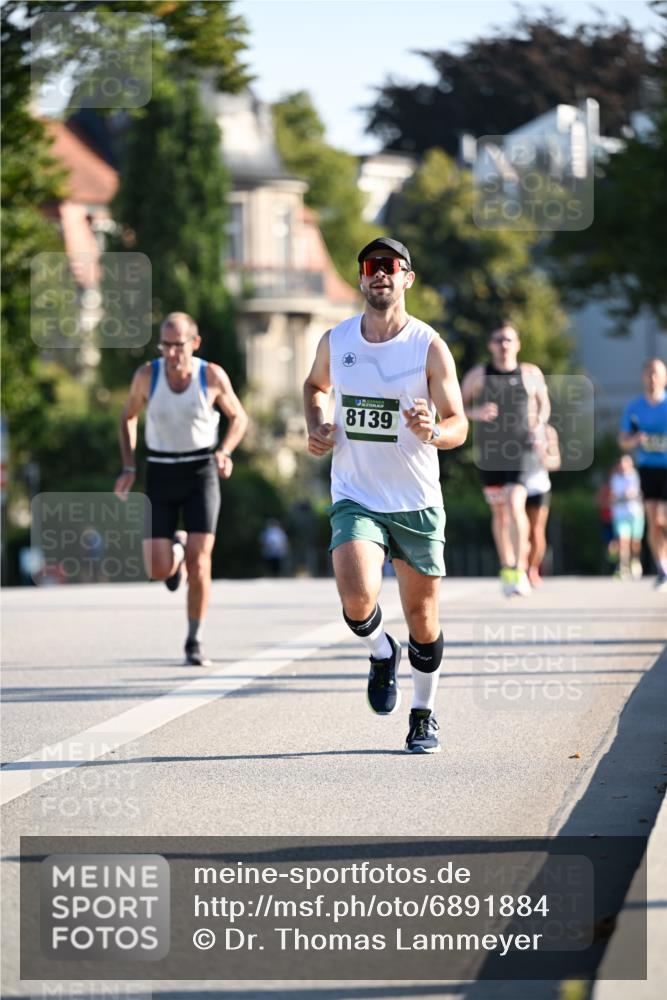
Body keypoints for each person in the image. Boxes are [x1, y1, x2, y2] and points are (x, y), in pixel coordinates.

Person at [303, 237, 468, 754]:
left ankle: (423, 713)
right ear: (360, 279)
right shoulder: (337, 339)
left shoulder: (428, 346)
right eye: (371, 267)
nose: (380, 274)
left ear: (407, 279)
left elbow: (459, 424)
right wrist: (318, 423)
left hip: (416, 500)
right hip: (357, 495)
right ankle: (380, 649)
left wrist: (434, 431)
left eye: (390, 267)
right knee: (356, 595)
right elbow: (314, 386)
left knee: (424, 619)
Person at [114, 312, 248, 664]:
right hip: (160, 470)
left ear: (195, 343)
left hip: (201, 470)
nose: (172, 353)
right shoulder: (147, 375)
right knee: (157, 570)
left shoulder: (211, 375)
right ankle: (177, 549)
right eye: (166, 345)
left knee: (201, 561)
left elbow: (239, 417)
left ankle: (194, 639)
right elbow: (127, 416)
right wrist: (128, 466)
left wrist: (225, 451)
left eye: (179, 345)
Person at [461, 323, 550, 597]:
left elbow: (545, 405)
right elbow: (456, 408)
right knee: (500, 513)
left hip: (522, 450)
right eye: (498, 340)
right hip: (490, 454)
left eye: (509, 339)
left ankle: (520, 567)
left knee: (514, 503)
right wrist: (476, 413)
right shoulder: (478, 375)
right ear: (490, 344)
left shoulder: (530, 373)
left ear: (518, 344)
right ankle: (507, 568)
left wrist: (538, 427)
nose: (504, 345)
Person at [619, 358, 667, 590]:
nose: (652, 378)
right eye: (649, 374)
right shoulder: (634, 407)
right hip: (648, 468)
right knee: (654, 521)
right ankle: (662, 567)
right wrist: (634, 440)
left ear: (664, 378)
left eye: (657, 374)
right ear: (643, 377)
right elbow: (623, 441)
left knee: (665, 518)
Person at [523, 422, 560, 586]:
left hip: (539, 486)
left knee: (536, 531)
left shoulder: (548, 431)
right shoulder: (515, 427)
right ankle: (520, 568)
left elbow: (556, 462)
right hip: (518, 486)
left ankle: (532, 568)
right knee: (522, 532)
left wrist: (543, 457)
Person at [609, 454, 644, 580]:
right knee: (623, 541)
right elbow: (613, 496)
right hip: (620, 514)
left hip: (635, 513)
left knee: (635, 542)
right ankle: (624, 567)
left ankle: (635, 560)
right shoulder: (615, 478)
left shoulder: (635, 476)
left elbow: (638, 492)